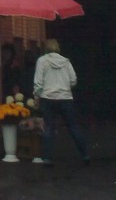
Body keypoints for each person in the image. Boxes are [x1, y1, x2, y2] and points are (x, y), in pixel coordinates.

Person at [33, 38, 90, 166]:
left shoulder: (42, 61)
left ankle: (47, 158)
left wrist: (36, 96)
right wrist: (65, 87)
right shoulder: (66, 61)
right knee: (73, 126)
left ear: (45, 48)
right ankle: (85, 154)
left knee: (49, 127)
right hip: (65, 98)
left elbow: (38, 82)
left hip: (48, 98)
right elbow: (73, 79)